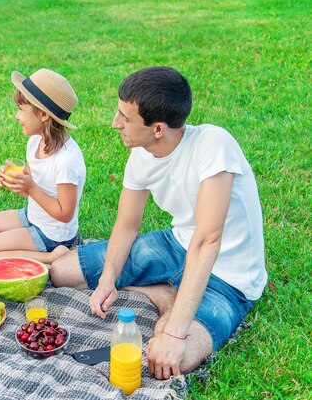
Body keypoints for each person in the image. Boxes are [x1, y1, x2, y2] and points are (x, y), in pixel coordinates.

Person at [51, 66, 267, 379]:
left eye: (125, 118)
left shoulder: (214, 145)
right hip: (176, 245)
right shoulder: (141, 153)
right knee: (61, 271)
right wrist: (108, 278)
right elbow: (126, 225)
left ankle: (172, 304)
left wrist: (175, 334)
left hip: (228, 278)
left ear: (158, 129)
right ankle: (164, 293)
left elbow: (208, 240)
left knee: (172, 360)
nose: (115, 124)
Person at [0, 69, 86, 264]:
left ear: (44, 115)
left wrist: (30, 187)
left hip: (53, 234)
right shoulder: (35, 142)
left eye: (21, 109)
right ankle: (22, 244)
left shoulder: (66, 161)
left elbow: (65, 214)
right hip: (33, 215)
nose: (16, 115)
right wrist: (15, 182)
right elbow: (32, 191)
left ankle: (50, 257)